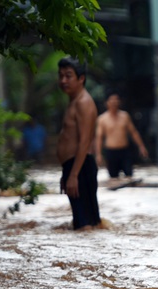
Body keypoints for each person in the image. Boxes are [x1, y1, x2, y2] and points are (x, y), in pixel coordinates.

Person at [57, 57, 101, 231]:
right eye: (60, 76)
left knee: (85, 226)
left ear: (81, 78)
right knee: (85, 223)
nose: (63, 81)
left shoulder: (83, 102)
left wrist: (73, 175)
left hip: (81, 168)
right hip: (76, 166)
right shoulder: (74, 100)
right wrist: (67, 173)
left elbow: (85, 141)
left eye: (68, 76)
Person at [95, 92, 148, 179]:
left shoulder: (125, 116)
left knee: (129, 176)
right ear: (107, 103)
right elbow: (99, 137)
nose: (114, 102)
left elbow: (133, 132)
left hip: (124, 151)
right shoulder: (102, 119)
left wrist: (141, 146)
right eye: (111, 100)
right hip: (111, 152)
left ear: (119, 102)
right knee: (113, 177)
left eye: (116, 100)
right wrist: (98, 154)